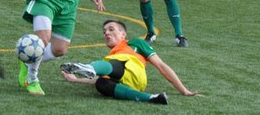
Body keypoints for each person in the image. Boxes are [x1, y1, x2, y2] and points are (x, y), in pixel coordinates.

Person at [60, 19, 199, 105]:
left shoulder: (135, 43)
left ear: (123, 35)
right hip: (128, 82)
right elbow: (94, 79)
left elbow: (161, 66)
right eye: (104, 32)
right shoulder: (111, 58)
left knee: (114, 64)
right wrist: (75, 80)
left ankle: (89, 67)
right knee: (101, 83)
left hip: (133, 71)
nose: (106, 33)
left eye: (111, 29)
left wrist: (184, 90)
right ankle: (151, 98)